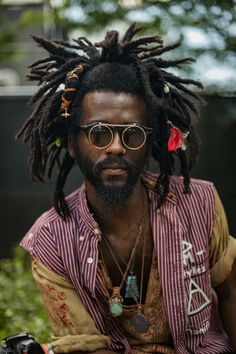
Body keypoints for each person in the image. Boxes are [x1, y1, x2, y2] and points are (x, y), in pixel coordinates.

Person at [17, 24, 236, 354]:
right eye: (99, 133)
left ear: (149, 142)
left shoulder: (199, 203)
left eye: (132, 134)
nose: (117, 148)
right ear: (74, 143)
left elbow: (231, 290)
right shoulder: (51, 242)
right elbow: (87, 348)